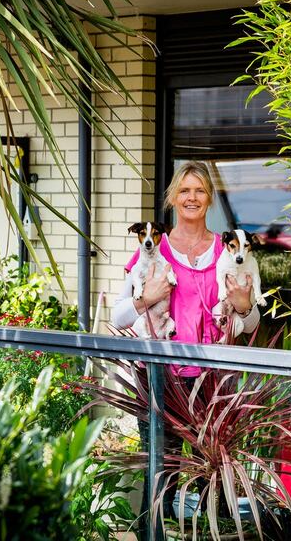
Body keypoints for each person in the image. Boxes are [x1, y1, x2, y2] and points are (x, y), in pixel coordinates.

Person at [110, 160, 261, 535]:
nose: (191, 197)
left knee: (216, 483)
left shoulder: (229, 251)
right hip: (161, 381)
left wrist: (244, 306)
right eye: (184, 190)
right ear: (172, 198)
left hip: (214, 384)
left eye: (199, 190)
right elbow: (119, 316)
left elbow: (249, 324)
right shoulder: (153, 250)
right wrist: (147, 297)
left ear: (209, 198)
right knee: (161, 478)